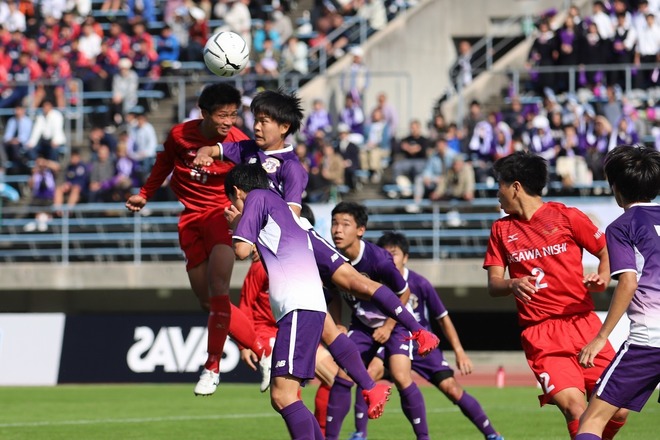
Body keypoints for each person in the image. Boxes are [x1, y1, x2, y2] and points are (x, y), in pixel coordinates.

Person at [193, 88, 439, 411]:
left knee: (356, 283)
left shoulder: (291, 167)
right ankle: (369, 387)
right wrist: (206, 152)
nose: (256, 126)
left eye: (264, 121)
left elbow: (292, 217)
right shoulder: (249, 151)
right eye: (256, 119)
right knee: (325, 324)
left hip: (300, 242)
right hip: (281, 252)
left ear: (284, 127)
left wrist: (250, 229)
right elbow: (221, 149)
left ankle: (419, 332)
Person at [126, 83, 271, 397]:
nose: (228, 121)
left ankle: (212, 366)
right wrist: (144, 194)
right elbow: (164, 164)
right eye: (222, 115)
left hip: (222, 216)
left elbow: (257, 191)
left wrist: (256, 232)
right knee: (206, 300)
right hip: (190, 218)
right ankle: (263, 349)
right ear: (204, 113)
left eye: (233, 115)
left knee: (219, 290)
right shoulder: (180, 135)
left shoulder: (240, 145)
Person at [482, 151, 629, 439]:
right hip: (542, 334)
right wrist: (512, 284)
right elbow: (493, 284)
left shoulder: (567, 216)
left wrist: (602, 276)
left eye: (499, 184)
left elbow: (605, 252)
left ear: (515, 186)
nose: (496, 193)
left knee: (619, 409)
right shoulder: (501, 230)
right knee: (576, 409)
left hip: (583, 325)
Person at [346, 231, 504, 440]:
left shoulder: (419, 283)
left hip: (421, 345)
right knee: (370, 372)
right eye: (385, 254)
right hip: (394, 342)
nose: (389, 259)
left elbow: (442, 317)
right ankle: (360, 433)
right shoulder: (376, 281)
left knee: (452, 389)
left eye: (394, 254)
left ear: (406, 257)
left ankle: (492, 434)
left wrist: (459, 351)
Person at [224, 163, 327, 439]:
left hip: (297, 307)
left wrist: (236, 225)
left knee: (282, 397)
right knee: (290, 396)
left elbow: (241, 251)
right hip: (306, 306)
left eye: (232, 202)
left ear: (237, 192)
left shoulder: (256, 198)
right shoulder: (278, 206)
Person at [324, 202, 432, 440]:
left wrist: (388, 325)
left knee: (401, 376)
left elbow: (403, 292)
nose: (337, 230)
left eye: (345, 224)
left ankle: (423, 437)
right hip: (362, 326)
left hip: (394, 325)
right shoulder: (331, 257)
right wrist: (339, 322)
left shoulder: (379, 259)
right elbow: (333, 293)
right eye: (334, 223)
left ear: (360, 230)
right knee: (342, 377)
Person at [575, 145, 660, 440]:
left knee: (591, 421)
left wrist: (600, 338)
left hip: (649, 341)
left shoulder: (622, 226)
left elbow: (628, 282)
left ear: (615, 188)